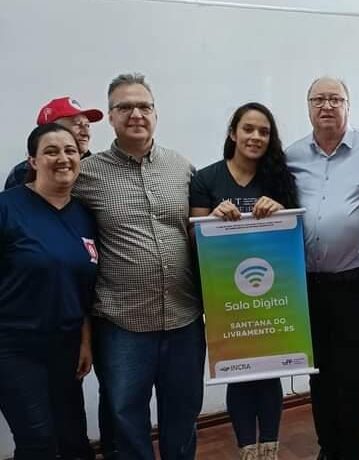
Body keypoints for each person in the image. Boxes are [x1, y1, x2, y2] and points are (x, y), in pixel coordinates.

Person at [72, 73, 205, 460]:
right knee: (126, 418)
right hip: (122, 325)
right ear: (111, 118)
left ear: (155, 113)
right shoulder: (87, 174)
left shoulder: (182, 168)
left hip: (183, 319)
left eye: (143, 106)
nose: (136, 114)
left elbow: (201, 230)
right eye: (125, 107)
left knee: (183, 414)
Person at [190, 102, 298, 460]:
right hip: (226, 296)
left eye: (264, 131)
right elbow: (193, 241)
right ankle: (246, 451)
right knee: (239, 372)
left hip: (273, 292)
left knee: (269, 372)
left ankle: (270, 450)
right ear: (232, 133)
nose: (255, 137)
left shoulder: (279, 179)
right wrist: (214, 221)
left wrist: (280, 213)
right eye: (248, 129)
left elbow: (295, 234)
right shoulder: (206, 179)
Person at [285, 76, 359, 460]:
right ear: (308, 106)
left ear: (348, 104)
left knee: (348, 375)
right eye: (318, 99)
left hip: (353, 283)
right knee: (318, 375)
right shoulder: (291, 156)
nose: (326, 106)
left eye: (334, 99)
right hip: (304, 284)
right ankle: (328, 448)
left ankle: (353, 451)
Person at [0, 123, 96, 459]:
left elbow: (82, 286)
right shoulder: (7, 208)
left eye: (70, 150)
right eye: (51, 151)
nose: (63, 158)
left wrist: (85, 340)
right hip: (14, 349)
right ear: (33, 160)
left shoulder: (85, 215)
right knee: (38, 443)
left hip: (66, 347)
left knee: (74, 442)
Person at [5, 97, 103, 190]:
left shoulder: (100, 168)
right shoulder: (22, 173)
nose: (85, 132)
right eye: (77, 124)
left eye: (87, 125)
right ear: (50, 130)